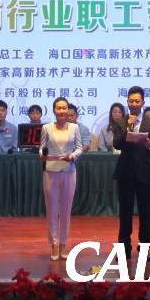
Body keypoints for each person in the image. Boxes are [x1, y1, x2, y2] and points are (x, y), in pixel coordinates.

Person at [113, 85, 150, 261]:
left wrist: (148, 143)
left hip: (144, 172)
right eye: (131, 101)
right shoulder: (121, 121)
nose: (134, 104)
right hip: (125, 172)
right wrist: (127, 128)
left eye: (137, 101)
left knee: (145, 213)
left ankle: (145, 248)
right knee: (125, 213)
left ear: (143, 102)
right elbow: (117, 144)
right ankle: (123, 248)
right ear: (127, 102)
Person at [41, 97, 84, 260]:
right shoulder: (46, 127)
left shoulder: (74, 127)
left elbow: (79, 148)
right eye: (58, 108)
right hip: (50, 171)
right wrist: (42, 155)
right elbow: (41, 148)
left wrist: (72, 156)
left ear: (68, 110)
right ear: (54, 110)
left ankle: (63, 244)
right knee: (52, 210)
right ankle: (54, 244)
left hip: (69, 170)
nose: (61, 111)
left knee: (66, 210)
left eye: (64, 108)